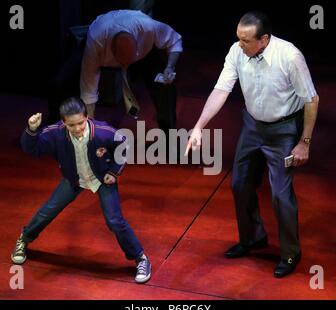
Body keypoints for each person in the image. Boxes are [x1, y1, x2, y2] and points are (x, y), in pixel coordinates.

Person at [185, 11, 319, 278]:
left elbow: (311, 100)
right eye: (238, 38)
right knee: (239, 184)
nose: (239, 44)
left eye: (245, 40)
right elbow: (221, 89)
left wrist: (304, 142)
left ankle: (291, 252)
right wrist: (199, 126)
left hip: (283, 130)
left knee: (280, 195)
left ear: (264, 39)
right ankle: (252, 238)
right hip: (252, 126)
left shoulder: (289, 56)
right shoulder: (236, 52)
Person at [11, 97, 151, 284]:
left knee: (115, 221)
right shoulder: (56, 134)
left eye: (80, 123)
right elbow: (32, 150)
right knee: (47, 211)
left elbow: (124, 143)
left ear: (87, 117)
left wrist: (114, 171)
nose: (77, 129)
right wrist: (32, 130)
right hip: (74, 179)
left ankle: (140, 258)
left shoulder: (102, 132)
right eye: (71, 125)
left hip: (101, 179)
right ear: (63, 123)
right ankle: (24, 239)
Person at [80, 9, 183, 137]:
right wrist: (90, 131)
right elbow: (88, 91)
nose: (126, 66)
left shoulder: (148, 27)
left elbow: (175, 41)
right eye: (123, 63)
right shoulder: (96, 42)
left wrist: (170, 66)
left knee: (165, 88)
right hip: (101, 42)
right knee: (64, 81)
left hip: (143, 55)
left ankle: (169, 140)